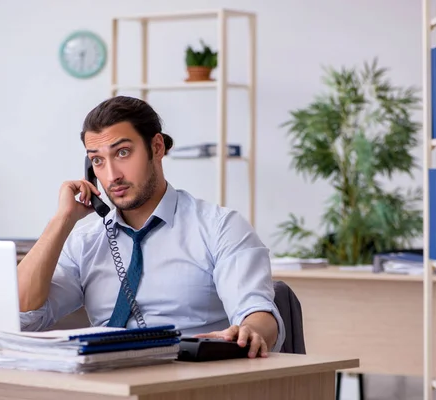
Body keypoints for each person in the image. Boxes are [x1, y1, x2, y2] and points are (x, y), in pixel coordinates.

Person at [17, 96, 285, 358]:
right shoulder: (86, 242)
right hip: (104, 383)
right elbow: (24, 315)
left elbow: (257, 312)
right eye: (98, 160)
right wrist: (61, 220)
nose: (112, 175)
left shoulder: (220, 227)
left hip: (189, 380)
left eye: (123, 153)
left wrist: (250, 331)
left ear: (156, 147)